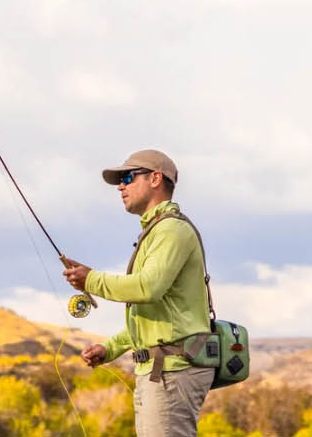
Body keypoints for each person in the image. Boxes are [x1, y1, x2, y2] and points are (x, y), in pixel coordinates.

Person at [62, 149, 213, 437]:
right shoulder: (156, 232)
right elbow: (156, 318)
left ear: (156, 178)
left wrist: (91, 280)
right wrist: (111, 348)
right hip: (157, 371)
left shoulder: (172, 230)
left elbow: (148, 288)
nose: (121, 186)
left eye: (128, 177)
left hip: (172, 370)